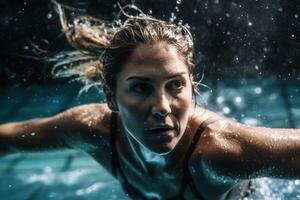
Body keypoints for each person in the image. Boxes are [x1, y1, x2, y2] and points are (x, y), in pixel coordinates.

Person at [0, 5, 299, 200]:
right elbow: (9, 140)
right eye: (142, 88)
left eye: (176, 85)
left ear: (192, 88)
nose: (163, 107)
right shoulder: (92, 132)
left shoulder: (219, 153)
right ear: (111, 98)